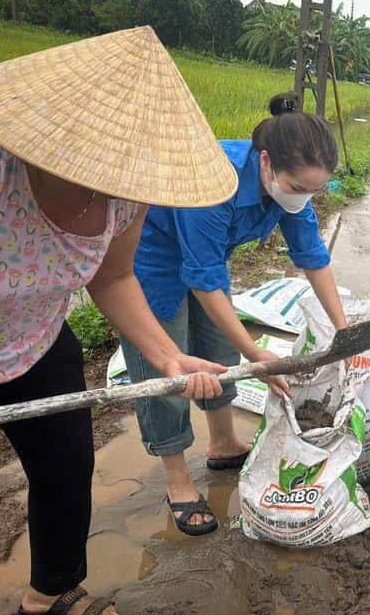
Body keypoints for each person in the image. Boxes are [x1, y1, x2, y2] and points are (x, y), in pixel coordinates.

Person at [0, 27, 233, 615]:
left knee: (66, 471)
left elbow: (112, 277)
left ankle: (46, 597)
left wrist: (166, 356)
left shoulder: (127, 191)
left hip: (38, 340)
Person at [122, 92, 349, 537]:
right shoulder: (214, 180)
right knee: (170, 371)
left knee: (218, 349)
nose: (306, 198)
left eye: (316, 190)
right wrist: (257, 355)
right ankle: (178, 480)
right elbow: (202, 277)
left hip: (210, 260)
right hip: (153, 261)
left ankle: (223, 442)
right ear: (267, 163)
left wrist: (344, 330)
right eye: (299, 188)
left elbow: (312, 255)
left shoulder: (290, 193)